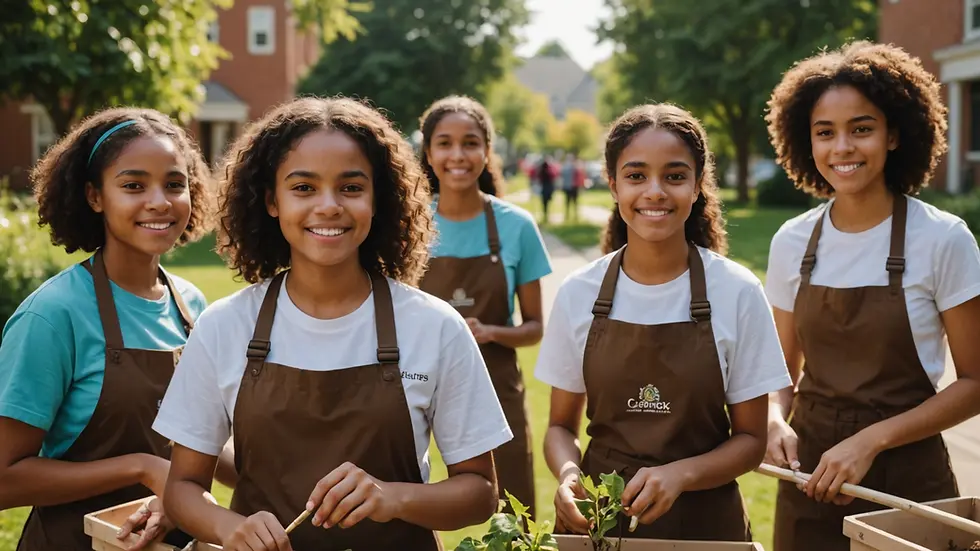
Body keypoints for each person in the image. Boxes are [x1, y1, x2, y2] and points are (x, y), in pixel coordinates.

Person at [153, 97, 513, 551]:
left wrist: (394, 498)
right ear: (271, 200)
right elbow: (183, 488)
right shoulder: (225, 326)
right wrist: (228, 527)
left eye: (350, 187)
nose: (328, 206)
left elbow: (480, 492)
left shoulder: (435, 326)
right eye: (303, 188)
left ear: (378, 199)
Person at [536, 103, 792, 541]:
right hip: (602, 525)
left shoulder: (737, 290)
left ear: (696, 187)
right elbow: (560, 426)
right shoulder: (579, 293)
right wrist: (567, 473)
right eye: (636, 176)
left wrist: (682, 475)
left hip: (707, 530)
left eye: (674, 176)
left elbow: (751, 439)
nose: (654, 191)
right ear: (613, 185)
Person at [763, 41, 980, 551]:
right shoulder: (791, 241)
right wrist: (774, 419)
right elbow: (780, 372)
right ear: (805, 141)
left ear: (895, 134)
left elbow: (974, 382)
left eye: (861, 128)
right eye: (825, 133)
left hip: (910, 482)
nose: (842, 148)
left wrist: (868, 442)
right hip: (810, 476)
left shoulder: (943, 238)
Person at [0, 107, 234, 551]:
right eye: (133, 185)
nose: (160, 201)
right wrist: (141, 468)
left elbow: (200, 441)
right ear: (94, 196)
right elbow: (4, 479)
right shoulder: (53, 316)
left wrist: (288, 472)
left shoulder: (191, 306)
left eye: (174, 184)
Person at [417, 96, 553, 518]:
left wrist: (491, 332)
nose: (458, 155)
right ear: (428, 152)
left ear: (487, 150)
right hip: (415, 381)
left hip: (496, 388)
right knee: (403, 499)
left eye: (470, 143)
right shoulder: (411, 225)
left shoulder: (517, 227)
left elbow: (534, 328)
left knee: (514, 509)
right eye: (445, 143)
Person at [561, 153, 580, 222]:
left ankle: (572, 215)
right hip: (571, 187)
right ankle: (570, 215)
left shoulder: (566, 167)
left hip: (571, 187)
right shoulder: (573, 167)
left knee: (571, 202)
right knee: (570, 202)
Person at [538, 155, 556, 224]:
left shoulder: (541, 172)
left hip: (544, 189)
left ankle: (545, 214)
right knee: (547, 203)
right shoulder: (549, 171)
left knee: (544, 203)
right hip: (548, 189)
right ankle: (547, 215)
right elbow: (554, 176)